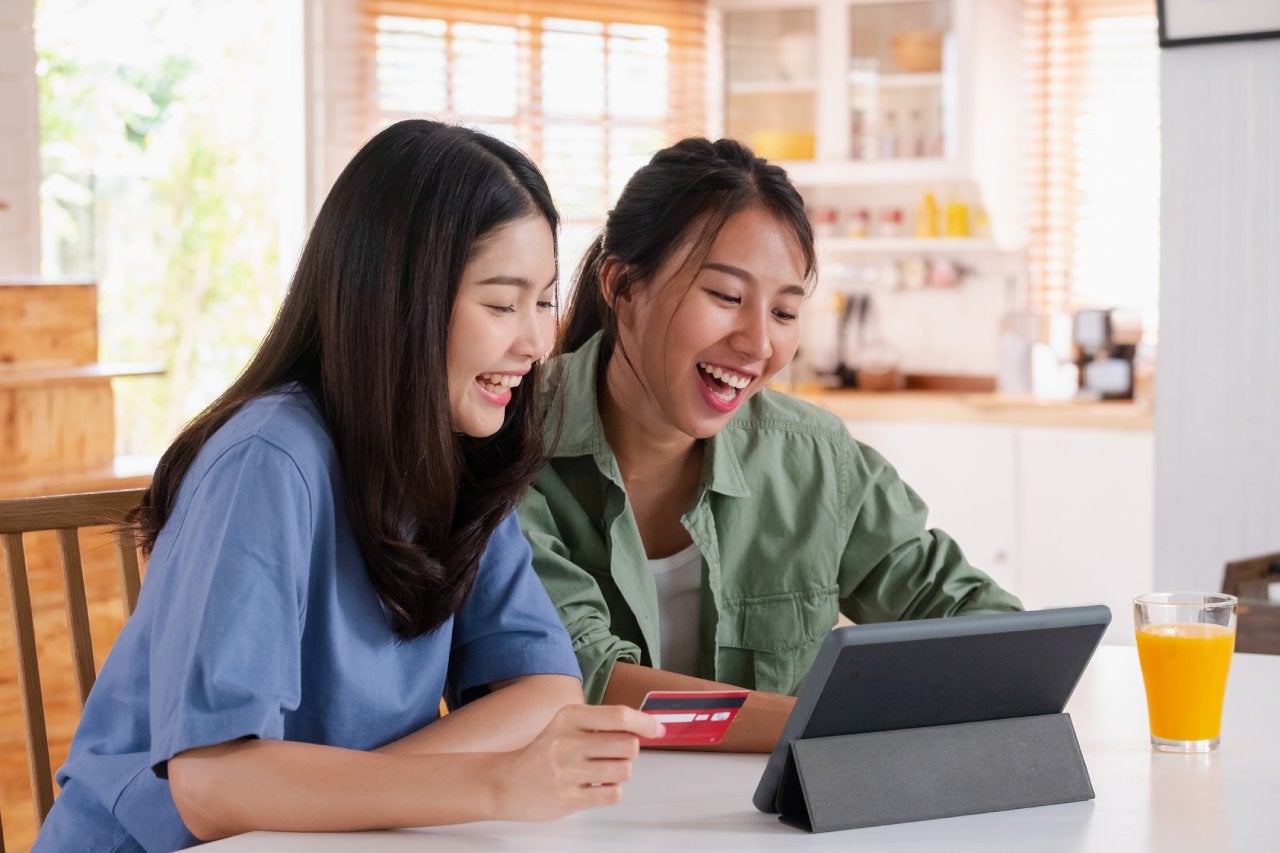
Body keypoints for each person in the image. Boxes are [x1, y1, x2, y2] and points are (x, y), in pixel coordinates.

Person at [34, 120, 661, 853]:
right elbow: (210, 787)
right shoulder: (267, 460)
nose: (533, 342)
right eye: (500, 304)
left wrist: (335, 795)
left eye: (543, 301)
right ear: (400, 298)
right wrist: (487, 783)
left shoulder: (458, 454)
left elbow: (546, 691)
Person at [516, 137, 1022, 753]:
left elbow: (977, 624)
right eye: (727, 297)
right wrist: (822, 725)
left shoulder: (814, 457)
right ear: (624, 287)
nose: (758, 344)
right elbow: (584, 683)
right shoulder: (509, 442)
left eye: (785, 312)